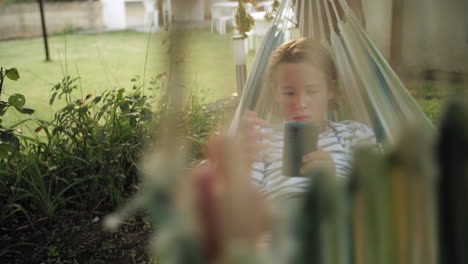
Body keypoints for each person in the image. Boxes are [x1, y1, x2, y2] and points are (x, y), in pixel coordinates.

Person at [242, 38, 377, 201]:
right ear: (275, 92)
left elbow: (376, 201)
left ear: (331, 89)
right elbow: (243, 204)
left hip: (335, 216)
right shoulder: (262, 139)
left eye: (312, 91)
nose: (300, 104)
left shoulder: (355, 134)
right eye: (289, 93)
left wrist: (333, 182)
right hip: (278, 217)